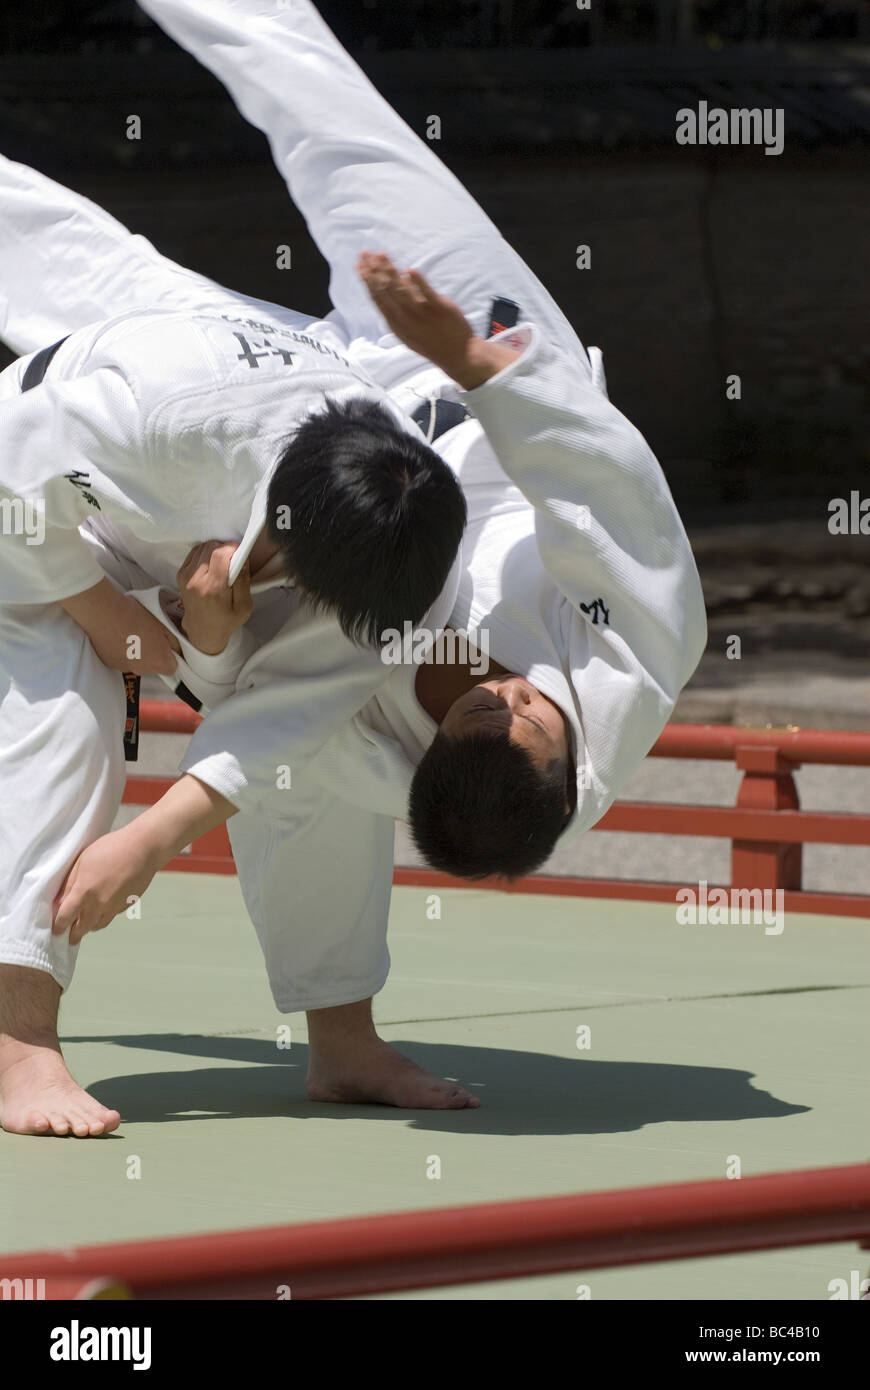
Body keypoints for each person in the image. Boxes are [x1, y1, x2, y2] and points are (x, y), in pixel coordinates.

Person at [0, 0, 707, 1135]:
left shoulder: (398, 769)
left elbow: (263, 717)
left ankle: (343, 1042)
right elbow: (604, 484)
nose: (495, 690)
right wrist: (478, 363)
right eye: (518, 707)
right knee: (330, 115)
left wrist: (205, 651)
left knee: (86, 287)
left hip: (314, 446)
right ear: (562, 744)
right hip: (464, 372)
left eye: (473, 717)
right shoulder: (640, 649)